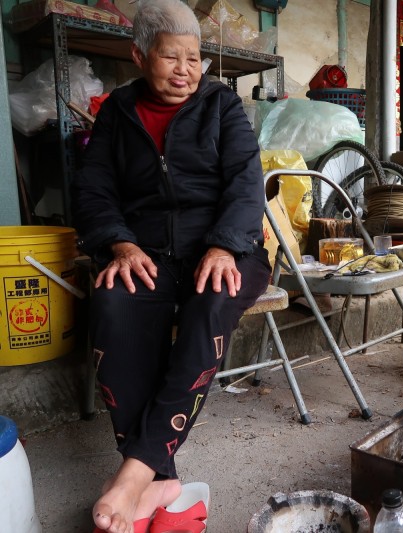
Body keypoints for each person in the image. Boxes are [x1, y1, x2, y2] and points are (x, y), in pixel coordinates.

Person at [71, 0, 270, 531]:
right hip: (149, 253)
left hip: (227, 250)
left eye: (194, 57)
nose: (186, 70)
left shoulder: (222, 105)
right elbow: (94, 190)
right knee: (113, 304)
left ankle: (135, 474)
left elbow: (248, 184)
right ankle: (161, 476)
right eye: (170, 57)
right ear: (140, 56)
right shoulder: (117, 111)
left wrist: (226, 244)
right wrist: (118, 243)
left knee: (210, 306)